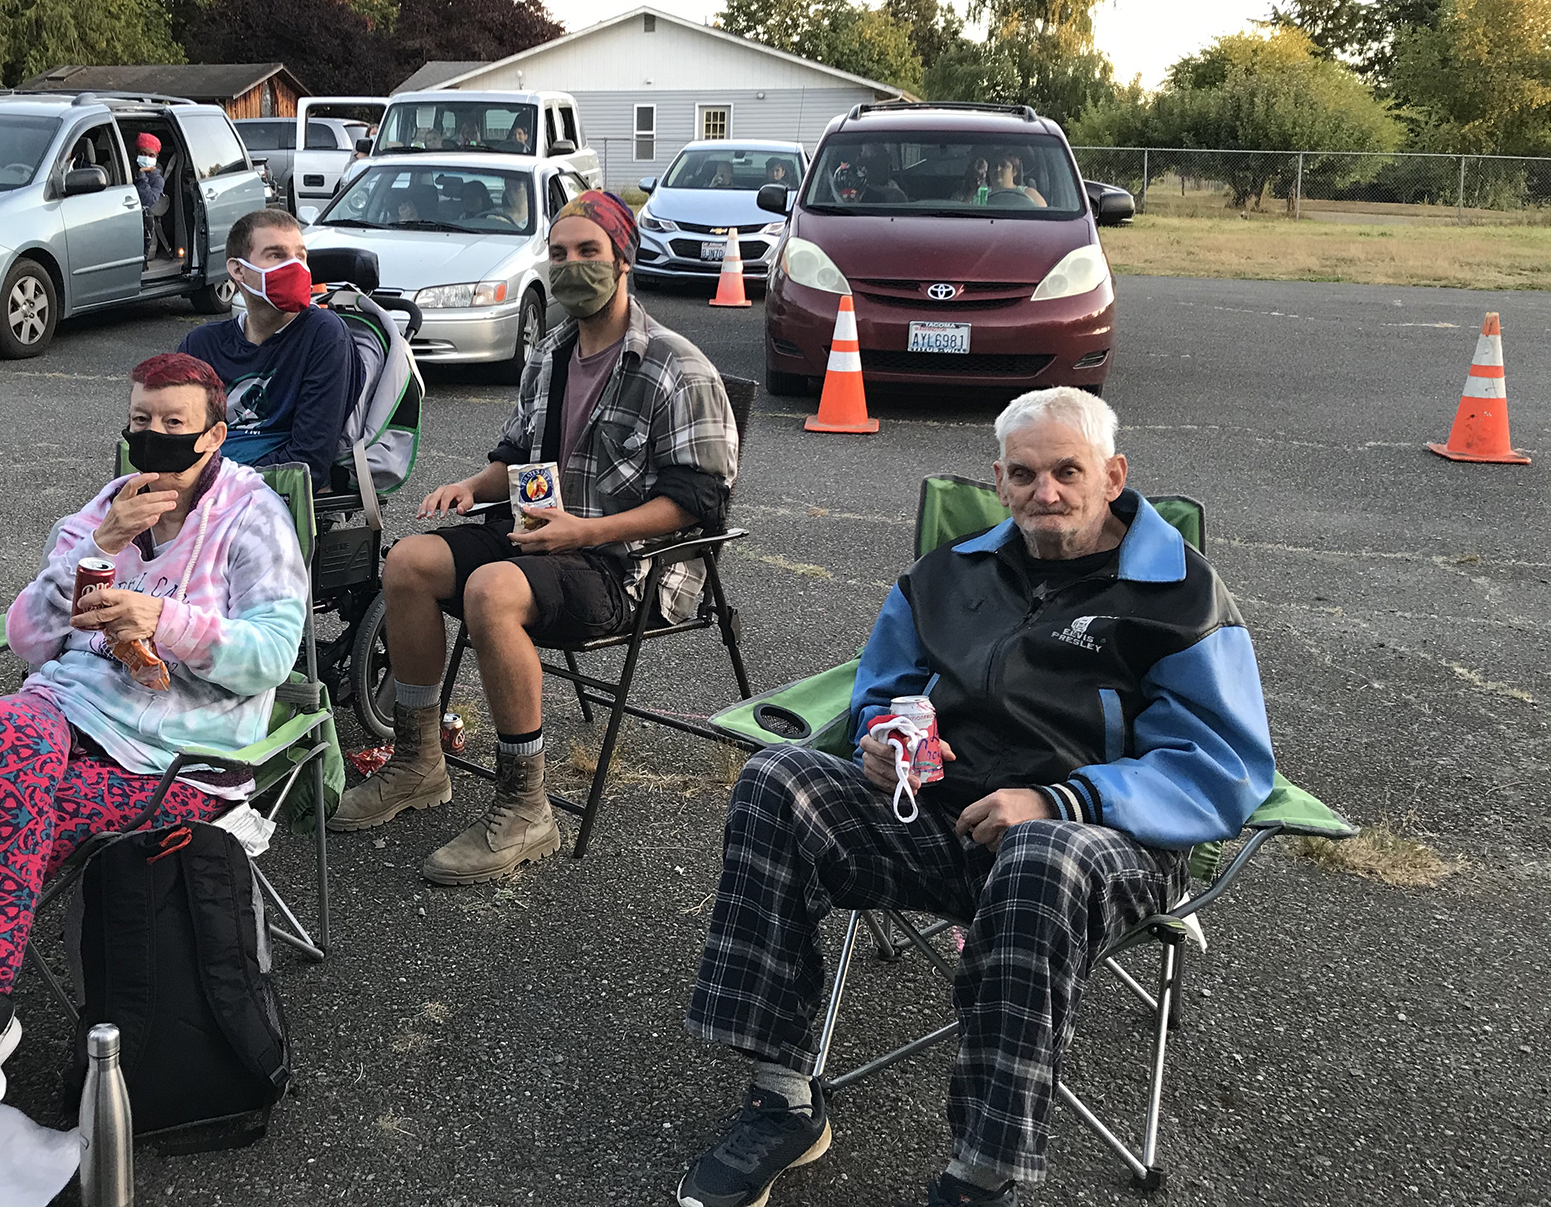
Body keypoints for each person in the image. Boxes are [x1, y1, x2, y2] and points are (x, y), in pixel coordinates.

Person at [674, 387, 1275, 1207]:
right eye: (1025, 474)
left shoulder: (1179, 595)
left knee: (1038, 857)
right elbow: (882, 690)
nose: (1047, 493)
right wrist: (882, 741)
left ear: (1113, 474)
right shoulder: (944, 576)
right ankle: (782, 1099)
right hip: (941, 821)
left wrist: (1061, 801)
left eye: (1069, 471)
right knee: (777, 781)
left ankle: (983, 1173)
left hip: (1099, 845)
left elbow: (1224, 764)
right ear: (999, 481)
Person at [0, 354, 309, 1126]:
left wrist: (163, 621)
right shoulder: (106, 510)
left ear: (213, 435)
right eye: (141, 420)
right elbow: (28, 640)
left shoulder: (252, 518)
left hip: (177, 756)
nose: (154, 437)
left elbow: (271, 657)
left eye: (173, 425)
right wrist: (98, 549)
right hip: (63, 719)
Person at [330, 190, 738, 882]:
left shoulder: (676, 365)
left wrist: (588, 528)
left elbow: (700, 502)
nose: (570, 265)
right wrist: (473, 486)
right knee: (408, 561)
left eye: (588, 252)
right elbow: (517, 454)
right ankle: (419, 762)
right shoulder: (550, 353)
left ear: (623, 260)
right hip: (537, 538)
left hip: (625, 566)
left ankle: (526, 805)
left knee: (491, 590)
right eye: (558, 253)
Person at [177, 207, 361, 489]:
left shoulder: (323, 335)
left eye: (300, 256)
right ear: (238, 270)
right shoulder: (201, 344)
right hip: (191, 490)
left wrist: (211, 483)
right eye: (276, 255)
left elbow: (308, 462)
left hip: (261, 499)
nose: (295, 267)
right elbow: (172, 435)